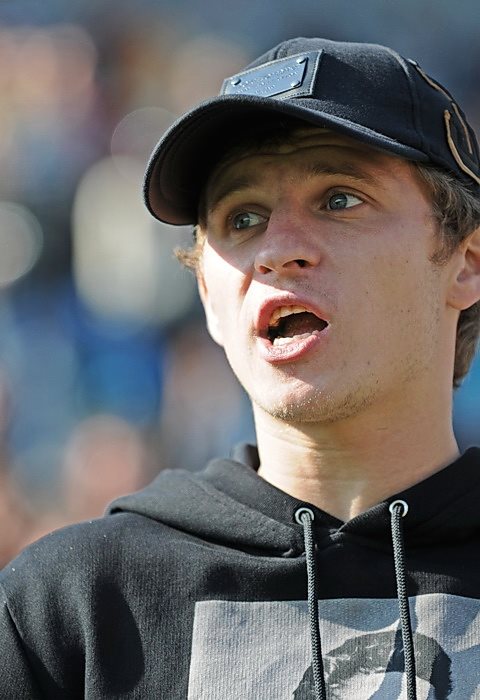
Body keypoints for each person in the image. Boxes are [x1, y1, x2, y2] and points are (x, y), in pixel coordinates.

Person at [1, 36, 480, 700]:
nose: (277, 251)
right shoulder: (67, 606)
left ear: (466, 263)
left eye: (340, 199)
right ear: (209, 297)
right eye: (243, 217)